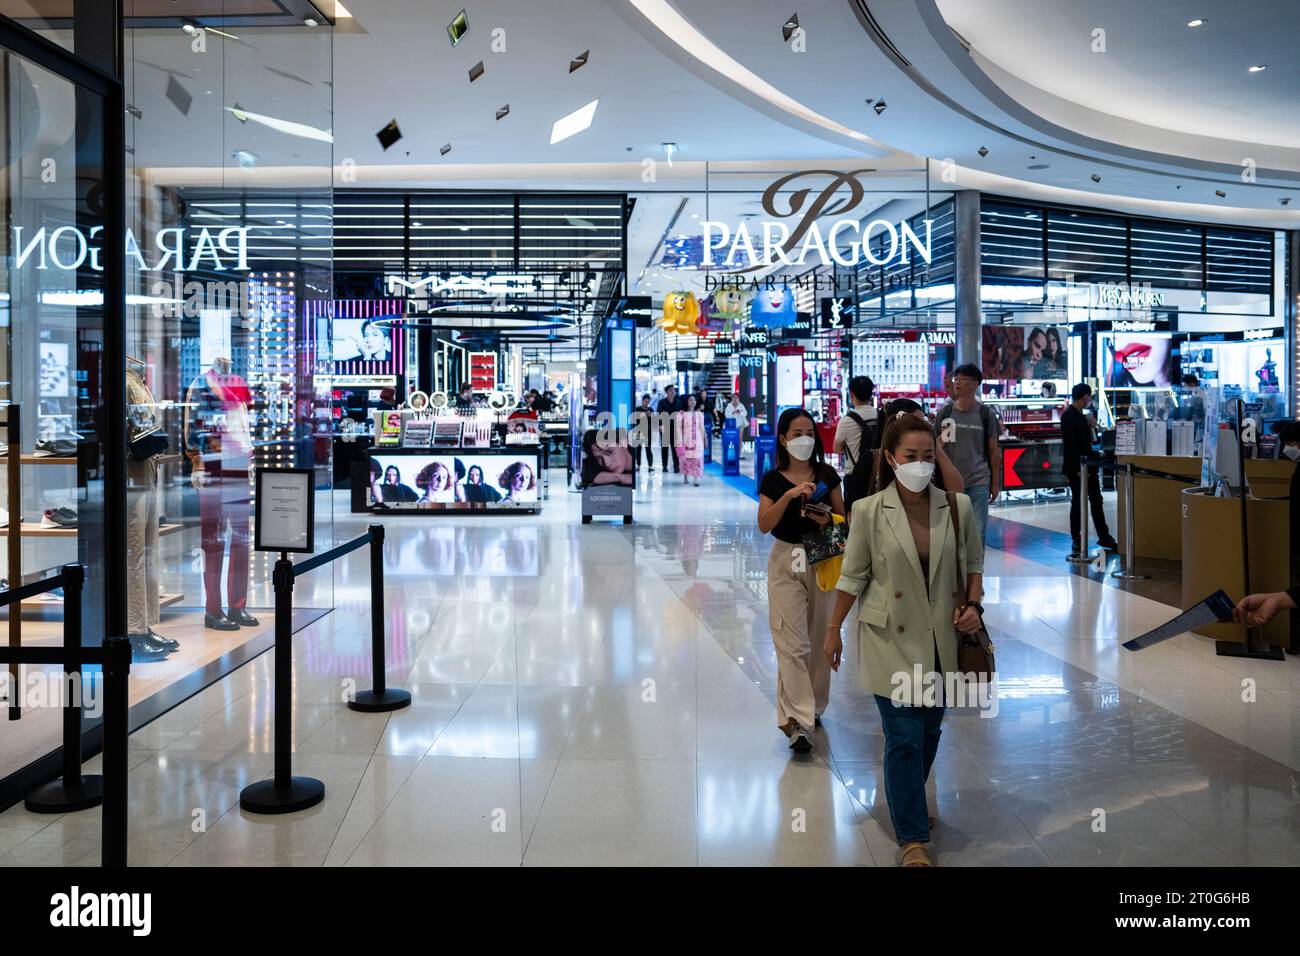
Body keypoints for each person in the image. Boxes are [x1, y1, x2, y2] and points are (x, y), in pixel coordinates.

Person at [824, 411, 985, 867]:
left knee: (929, 730)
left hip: (941, 639)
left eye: (928, 455)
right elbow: (853, 576)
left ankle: (907, 796)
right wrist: (833, 629)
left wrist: (973, 607)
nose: (920, 463)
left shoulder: (957, 507)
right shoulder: (869, 511)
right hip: (888, 638)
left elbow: (973, 564)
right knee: (903, 737)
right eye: (910, 455)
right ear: (891, 459)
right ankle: (912, 837)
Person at [757, 408, 846, 754]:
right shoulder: (773, 479)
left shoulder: (827, 474)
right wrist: (790, 497)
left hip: (822, 555)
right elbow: (765, 523)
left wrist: (827, 519)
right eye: (796, 433)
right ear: (783, 439)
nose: (804, 438)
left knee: (819, 636)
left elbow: (843, 523)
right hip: (786, 558)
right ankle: (797, 721)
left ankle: (814, 705)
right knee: (790, 641)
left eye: (809, 431)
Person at [934, 364, 1001, 547]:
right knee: (952, 534)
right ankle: (955, 574)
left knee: (977, 534)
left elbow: (994, 450)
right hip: (950, 483)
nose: (957, 382)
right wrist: (942, 437)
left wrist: (995, 482)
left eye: (963, 379)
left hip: (978, 482)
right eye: (956, 378)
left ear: (975, 384)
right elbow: (933, 449)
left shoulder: (985, 414)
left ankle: (975, 574)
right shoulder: (945, 414)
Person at [1061, 384, 1118, 555]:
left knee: (1096, 500)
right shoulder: (1069, 416)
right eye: (1089, 397)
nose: (1089, 400)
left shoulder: (1081, 416)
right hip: (1078, 467)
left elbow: (1088, 441)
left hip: (1089, 465)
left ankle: (1104, 536)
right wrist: (1077, 467)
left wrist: (1092, 426)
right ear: (1085, 397)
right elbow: (1070, 445)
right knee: (1078, 502)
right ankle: (1076, 537)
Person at [834, 375, 878, 509]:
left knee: (854, 517)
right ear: (871, 393)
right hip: (878, 475)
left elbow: (837, 449)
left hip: (854, 475)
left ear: (851, 394)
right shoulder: (881, 416)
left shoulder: (847, 420)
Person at [676, 393, 707, 486]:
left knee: (697, 459)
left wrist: (705, 438)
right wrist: (679, 440)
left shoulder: (699, 414)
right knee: (685, 459)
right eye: (690, 400)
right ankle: (685, 476)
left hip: (697, 440)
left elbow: (702, 427)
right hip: (685, 439)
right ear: (687, 402)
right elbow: (678, 428)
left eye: (694, 400)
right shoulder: (681, 414)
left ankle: (696, 478)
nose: (693, 402)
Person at [656, 385, 684, 473]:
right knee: (664, 447)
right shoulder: (662, 402)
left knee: (675, 447)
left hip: (676, 428)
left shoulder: (679, 402)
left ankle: (676, 465)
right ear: (667, 392)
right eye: (671, 390)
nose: (673, 392)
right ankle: (664, 465)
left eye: (674, 390)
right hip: (665, 428)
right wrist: (660, 425)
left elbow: (681, 414)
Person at [630, 394, 656, 473]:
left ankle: (650, 466)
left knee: (648, 449)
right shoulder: (637, 409)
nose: (646, 403)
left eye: (648, 402)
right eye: (645, 401)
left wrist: (650, 416)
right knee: (638, 449)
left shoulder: (650, 409)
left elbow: (654, 421)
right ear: (642, 401)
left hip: (647, 431)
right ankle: (638, 465)